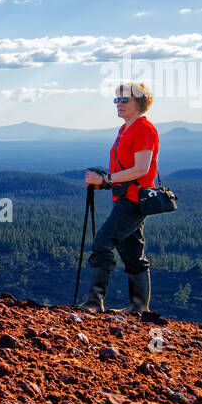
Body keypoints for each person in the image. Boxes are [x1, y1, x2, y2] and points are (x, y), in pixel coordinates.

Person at [81, 83, 160, 314]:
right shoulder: (125, 129)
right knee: (132, 251)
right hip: (126, 197)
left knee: (103, 242)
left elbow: (142, 169)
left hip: (133, 200)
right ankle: (138, 306)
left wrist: (105, 180)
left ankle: (95, 302)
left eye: (125, 100)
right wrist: (105, 182)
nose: (119, 104)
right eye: (117, 100)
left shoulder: (144, 129)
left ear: (140, 103)